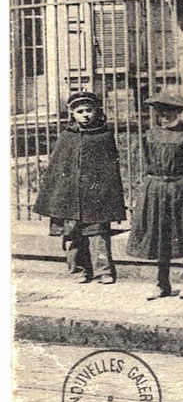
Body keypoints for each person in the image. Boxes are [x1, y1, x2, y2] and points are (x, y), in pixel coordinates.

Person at [125, 91, 183, 300]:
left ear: (178, 113)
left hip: (181, 191)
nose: (165, 117)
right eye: (161, 112)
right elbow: (146, 163)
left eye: (170, 112)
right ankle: (162, 283)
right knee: (159, 235)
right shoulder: (150, 135)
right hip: (155, 191)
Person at [34, 90, 126, 285]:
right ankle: (78, 271)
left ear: (96, 111)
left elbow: (111, 171)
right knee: (73, 237)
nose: (85, 115)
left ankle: (103, 272)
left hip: (95, 197)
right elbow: (57, 170)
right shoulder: (67, 137)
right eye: (80, 111)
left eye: (89, 110)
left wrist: (108, 197)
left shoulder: (104, 136)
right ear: (72, 114)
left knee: (98, 236)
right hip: (70, 199)